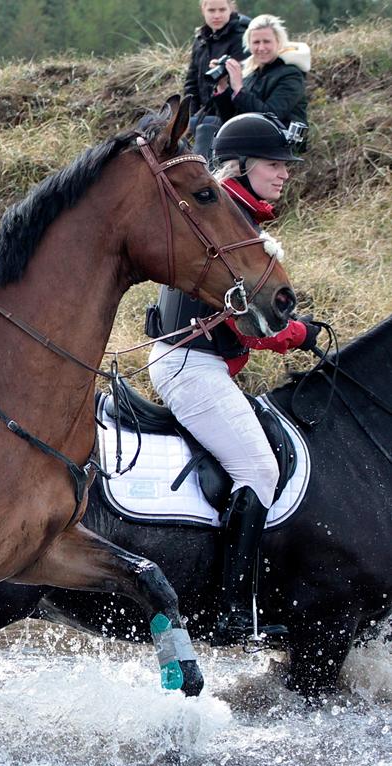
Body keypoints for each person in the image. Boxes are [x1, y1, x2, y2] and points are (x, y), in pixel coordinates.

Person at [144, 113, 319, 643]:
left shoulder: (235, 216)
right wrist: (300, 336)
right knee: (259, 470)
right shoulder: (224, 219)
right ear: (241, 166)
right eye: (274, 164)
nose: (284, 173)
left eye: (286, 165)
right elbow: (255, 329)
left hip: (200, 363)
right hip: (191, 367)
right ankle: (233, 610)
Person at [212, 14, 309, 130]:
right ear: (249, 45)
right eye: (256, 42)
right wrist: (222, 87)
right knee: (206, 129)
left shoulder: (291, 75)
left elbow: (271, 117)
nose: (261, 48)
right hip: (247, 137)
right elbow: (231, 119)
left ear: (278, 42)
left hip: (280, 143)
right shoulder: (250, 74)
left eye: (267, 41)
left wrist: (239, 90)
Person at [183, 0, 251, 161]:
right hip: (205, 111)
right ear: (203, 11)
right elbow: (191, 82)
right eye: (212, 10)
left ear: (231, 9)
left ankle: (203, 173)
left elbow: (246, 80)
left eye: (222, 9)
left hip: (232, 112)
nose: (217, 15)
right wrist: (189, 116)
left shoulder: (241, 37)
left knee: (206, 128)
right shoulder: (201, 39)